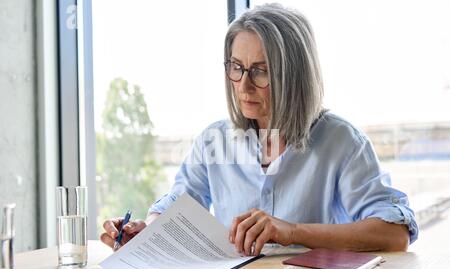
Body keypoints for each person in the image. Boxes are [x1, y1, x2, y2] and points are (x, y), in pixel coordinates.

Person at [100, 3, 418, 256]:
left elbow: (393, 234)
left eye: (261, 71)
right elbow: (175, 207)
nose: (244, 85)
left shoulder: (342, 141)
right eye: (236, 67)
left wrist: (290, 231)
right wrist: (147, 232)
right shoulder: (214, 140)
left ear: (294, 75)